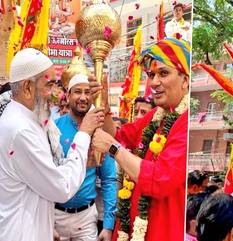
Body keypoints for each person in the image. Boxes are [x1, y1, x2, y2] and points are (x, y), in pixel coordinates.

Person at [90, 38, 190, 241]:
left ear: (186, 79)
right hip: (130, 227)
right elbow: (118, 136)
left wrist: (112, 148)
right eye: (151, 75)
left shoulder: (187, 123)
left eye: (163, 73)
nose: (153, 82)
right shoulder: (156, 115)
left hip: (162, 232)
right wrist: (105, 104)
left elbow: (160, 179)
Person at [0, 48, 104, 241]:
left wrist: (84, 163)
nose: (55, 95)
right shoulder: (20, 129)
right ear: (27, 88)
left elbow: (48, 172)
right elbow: (61, 186)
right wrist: (83, 133)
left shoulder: (30, 120)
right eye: (49, 85)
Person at [54, 74, 117, 241]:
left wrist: (108, 225)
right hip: (55, 216)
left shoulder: (99, 133)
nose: (83, 97)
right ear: (68, 96)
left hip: (86, 218)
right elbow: (43, 178)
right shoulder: (54, 129)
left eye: (87, 92)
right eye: (77, 92)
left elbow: (108, 179)